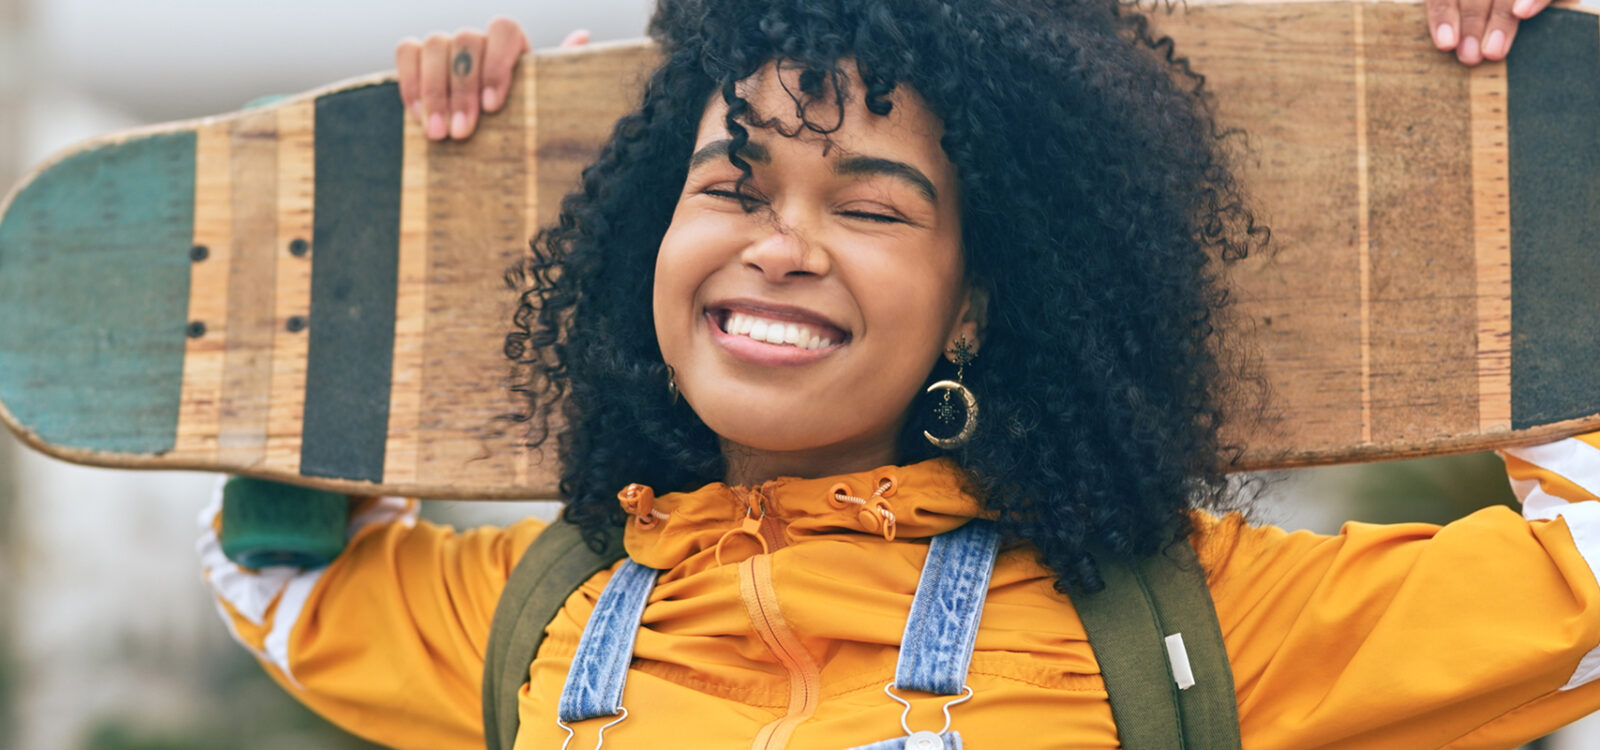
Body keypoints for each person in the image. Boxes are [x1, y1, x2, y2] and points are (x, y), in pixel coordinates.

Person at [196, 0, 1600, 748]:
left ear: (977, 303)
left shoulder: (1171, 622)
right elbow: (284, 575)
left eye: (868, 208)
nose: (781, 246)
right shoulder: (555, 609)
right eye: (729, 188)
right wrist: (405, 193)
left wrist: (1525, 149)